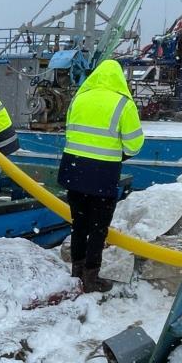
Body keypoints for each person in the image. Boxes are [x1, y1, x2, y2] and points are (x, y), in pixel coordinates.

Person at [57, 60, 144, 293]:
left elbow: (70, 131)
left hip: (74, 170)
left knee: (79, 224)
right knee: (98, 227)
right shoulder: (123, 103)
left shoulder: (80, 97)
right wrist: (118, 153)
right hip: (102, 173)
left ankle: (77, 269)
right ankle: (91, 276)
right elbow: (134, 144)